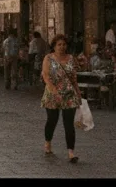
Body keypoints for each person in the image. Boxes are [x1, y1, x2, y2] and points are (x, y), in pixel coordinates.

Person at [41, 34, 81, 164]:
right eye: (59, 44)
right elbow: (46, 76)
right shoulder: (48, 58)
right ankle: (48, 143)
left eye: (64, 44)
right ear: (54, 46)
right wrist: (54, 91)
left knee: (69, 124)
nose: (62, 47)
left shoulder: (71, 59)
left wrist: (78, 94)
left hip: (69, 94)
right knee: (52, 120)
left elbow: (74, 78)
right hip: (53, 94)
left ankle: (71, 152)